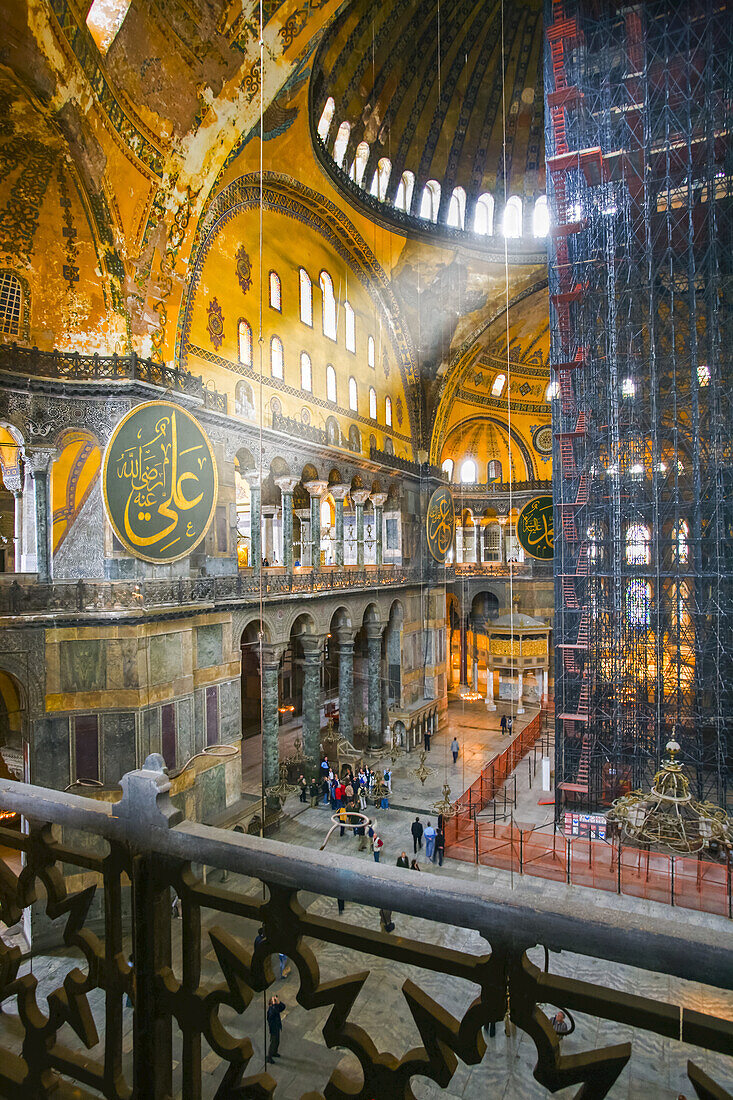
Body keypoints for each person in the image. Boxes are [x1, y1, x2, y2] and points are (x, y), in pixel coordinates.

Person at [266, 995, 286, 1063]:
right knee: (273, 1043)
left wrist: (278, 1002)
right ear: (271, 1004)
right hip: (273, 1029)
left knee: (277, 1042)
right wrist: (275, 1004)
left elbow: (283, 1007)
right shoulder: (270, 1010)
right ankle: (269, 1057)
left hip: (277, 1027)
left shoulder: (275, 1007)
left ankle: (274, 1052)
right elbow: (274, 1012)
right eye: (273, 1001)